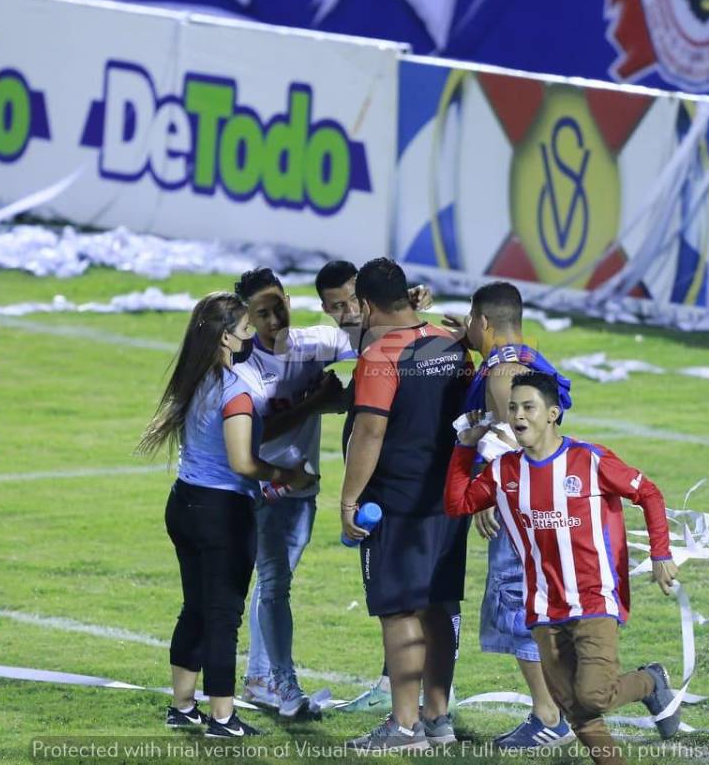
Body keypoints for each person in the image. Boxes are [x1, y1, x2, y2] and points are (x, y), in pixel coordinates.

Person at [445, 372, 680, 765]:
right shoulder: (505, 471)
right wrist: (464, 449)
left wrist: (660, 553)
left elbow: (648, 493)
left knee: (593, 696)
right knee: (572, 705)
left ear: (552, 414)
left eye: (528, 407)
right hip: (542, 606)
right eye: (514, 407)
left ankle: (650, 681)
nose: (518, 415)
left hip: (593, 597)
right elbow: (459, 504)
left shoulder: (589, 460)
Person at [137, 292, 317, 738]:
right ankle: (222, 717)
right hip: (222, 512)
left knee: (195, 608)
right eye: (243, 329)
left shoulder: (193, 376)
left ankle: (182, 707)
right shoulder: (235, 389)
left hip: (184, 503)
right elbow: (243, 463)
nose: (251, 335)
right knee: (223, 615)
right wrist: (287, 475)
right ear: (224, 337)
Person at [315, 260, 464, 716]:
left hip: (397, 503)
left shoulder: (379, 358)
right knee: (439, 609)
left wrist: (348, 501)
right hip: (449, 499)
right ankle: (437, 719)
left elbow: (369, 434)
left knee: (399, 612)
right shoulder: (452, 343)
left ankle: (403, 726)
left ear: (366, 303)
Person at [454, 282, 576, 749]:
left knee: (519, 604)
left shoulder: (503, 374)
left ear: (482, 321)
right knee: (535, 605)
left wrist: (486, 495)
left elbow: (517, 443)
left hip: (518, 508)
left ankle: (549, 716)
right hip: (541, 503)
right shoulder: (522, 357)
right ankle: (564, 707)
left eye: (470, 319)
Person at [232, 268, 353, 718]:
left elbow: (374, 342)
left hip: (301, 490)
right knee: (275, 584)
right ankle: (281, 682)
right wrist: (315, 403)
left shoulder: (314, 343)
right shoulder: (245, 365)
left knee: (273, 585)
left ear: (288, 297)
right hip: (261, 487)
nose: (273, 318)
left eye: (277, 305)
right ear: (247, 317)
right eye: (260, 313)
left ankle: (261, 677)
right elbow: (254, 432)